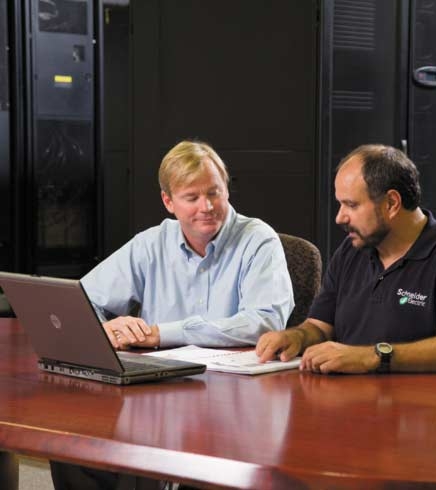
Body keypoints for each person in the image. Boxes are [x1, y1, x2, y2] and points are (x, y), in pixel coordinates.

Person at [50, 140, 294, 490]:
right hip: (154, 391)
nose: (207, 206)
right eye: (192, 197)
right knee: (70, 443)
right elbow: (81, 301)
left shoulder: (258, 241)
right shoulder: (151, 243)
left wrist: (161, 333)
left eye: (215, 192)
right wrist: (106, 327)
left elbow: (265, 321)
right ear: (169, 202)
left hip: (232, 401)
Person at [257, 144, 436, 374]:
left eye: (351, 205)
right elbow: (320, 326)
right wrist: (295, 336)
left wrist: (374, 356)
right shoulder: (352, 249)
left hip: (421, 406)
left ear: (391, 203)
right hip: (348, 400)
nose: (339, 217)